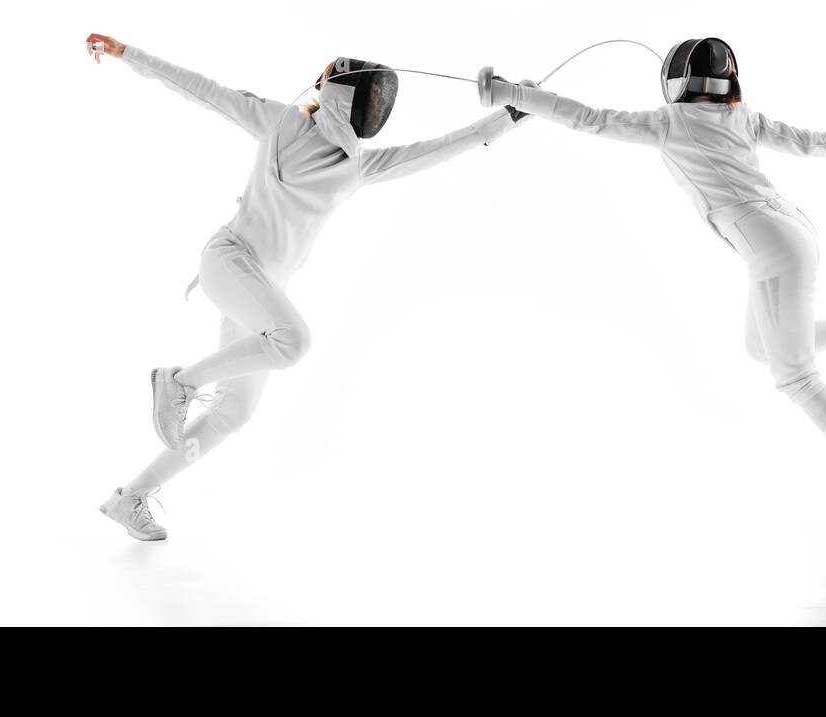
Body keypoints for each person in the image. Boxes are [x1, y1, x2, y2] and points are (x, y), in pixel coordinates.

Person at [86, 33, 526, 540]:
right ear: (345, 94)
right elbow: (204, 90)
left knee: (236, 411)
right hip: (228, 261)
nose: (377, 108)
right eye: (371, 96)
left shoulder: (359, 165)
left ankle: (130, 497)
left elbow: (442, 148)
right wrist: (128, 54)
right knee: (293, 342)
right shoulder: (282, 124)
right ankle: (180, 382)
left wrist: (512, 115)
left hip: (258, 291)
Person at [475, 38, 826, 519]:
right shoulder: (742, 116)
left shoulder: (667, 123)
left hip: (774, 249)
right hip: (790, 234)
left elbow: (587, 117)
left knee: (796, 377)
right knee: (761, 347)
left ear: (676, 80)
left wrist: (513, 94)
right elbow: (812, 142)